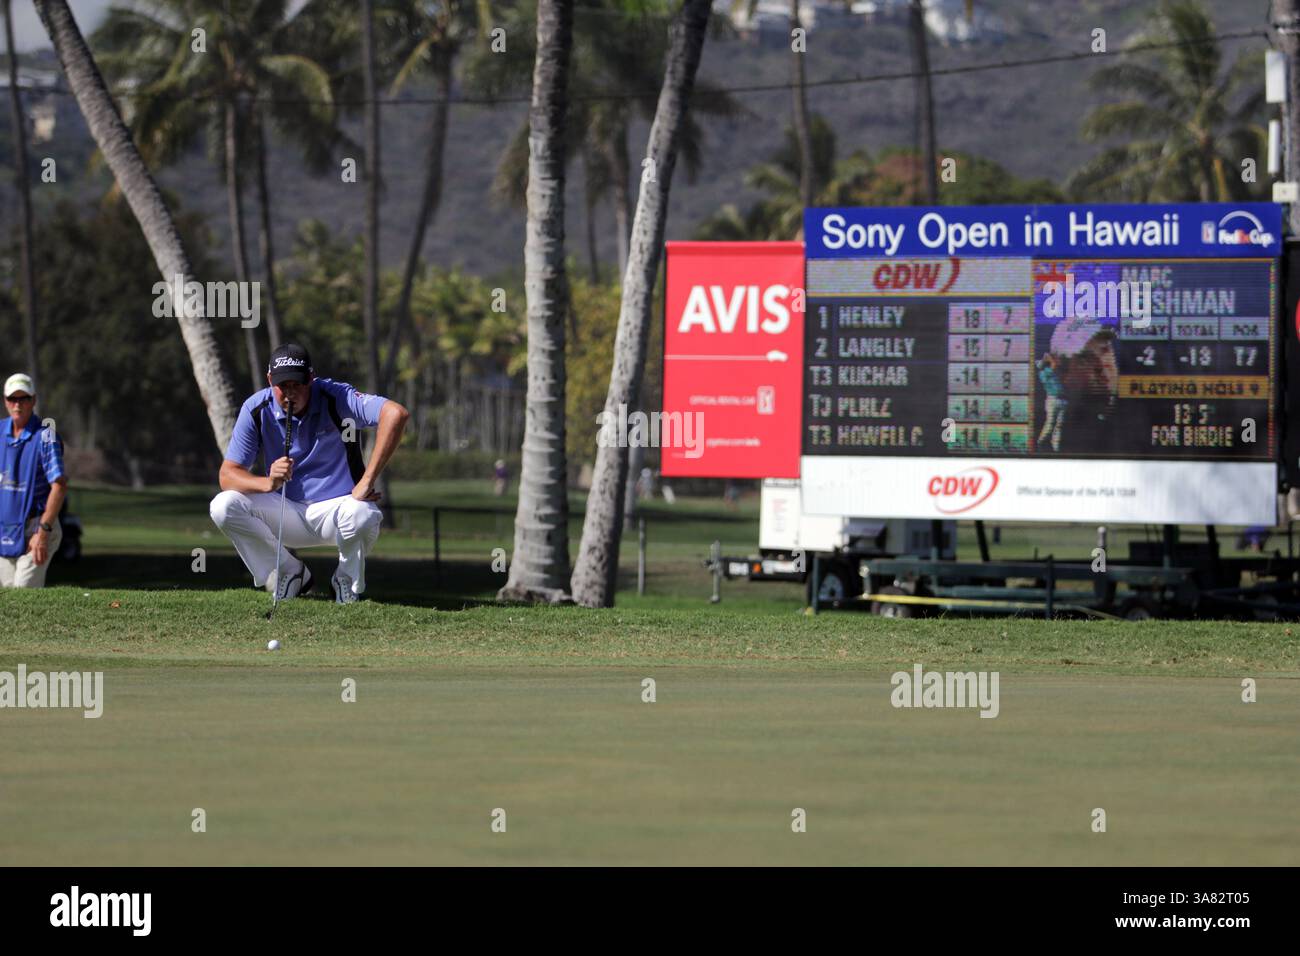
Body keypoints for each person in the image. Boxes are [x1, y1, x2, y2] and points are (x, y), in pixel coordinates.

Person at [209, 344, 410, 603]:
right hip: (284, 512)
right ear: (270, 380)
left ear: (311, 379)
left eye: (298, 384)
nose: (290, 393)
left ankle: (345, 582)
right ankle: (290, 571)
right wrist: (268, 482)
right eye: (283, 385)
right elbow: (227, 476)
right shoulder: (257, 409)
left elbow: (396, 414)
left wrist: (367, 480)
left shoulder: (335, 397)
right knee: (223, 506)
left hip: (338, 513)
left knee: (363, 514)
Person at [0, 373, 67, 588]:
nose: (17, 404)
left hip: (37, 526)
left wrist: (43, 531)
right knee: (8, 597)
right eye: (13, 399)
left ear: (33, 401)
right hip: (6, 528)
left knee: (23, 590)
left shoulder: (46, 436)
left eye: (24, 398)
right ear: (5, 401)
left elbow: (59, 484)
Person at [1047, 317, 1118, 455]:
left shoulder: (1138, 421)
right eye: (1086, 359)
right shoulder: (1063, 443)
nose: (1102, 365)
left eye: (1105, 350)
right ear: (1063, 374)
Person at [1035, 353, 1067, 452]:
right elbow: (1054, 364)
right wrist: (1048, 357)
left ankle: (1055, 446)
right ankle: (1040, 442)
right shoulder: (1043, 373)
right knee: (1050, 424)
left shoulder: (1053, 371)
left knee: (1059, 425)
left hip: (1062, 400)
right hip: (1052, 400)